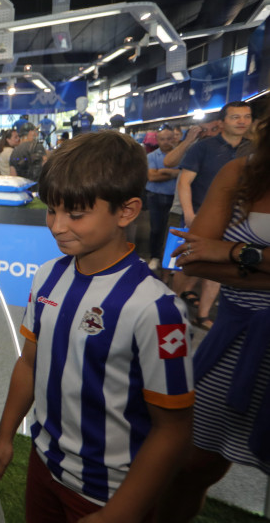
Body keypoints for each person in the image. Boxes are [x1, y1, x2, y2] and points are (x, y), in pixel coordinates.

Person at [0, 130, 194, 523]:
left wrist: (121, 513)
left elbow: (174, 429)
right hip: (44, 467)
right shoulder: (47, 276)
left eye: (76, 214)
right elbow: (29, 363)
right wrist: (5, 434)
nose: (57, 226)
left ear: (127, 211)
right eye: (51, 210)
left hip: (111, 493)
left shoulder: (156, 307)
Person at [158, 116, 270, 522]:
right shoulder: (239, 171)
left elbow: (214, 252)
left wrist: (234, 252)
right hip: (235, 338)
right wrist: (228, 255)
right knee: (192, 463)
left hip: (237, 319)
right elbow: (194, 256)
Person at [177, 102, 253, 329]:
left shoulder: (253, 149)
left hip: (236, 220)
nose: (242, 121)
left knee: (218, 268)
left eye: (247, 117)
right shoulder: (203, 148)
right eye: (235, 117)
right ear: (221, 122)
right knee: (184, 263)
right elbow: (184, 183)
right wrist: (190, 215)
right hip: (200, 215)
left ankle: (202, 315)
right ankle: (172, 307)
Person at [145, 126, 180, 271]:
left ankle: (172, 261)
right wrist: (175, 173)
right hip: (155, 197)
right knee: (156, 230)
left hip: (176, 198)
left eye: (169, 138)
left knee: (175, 231)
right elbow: (152, 177)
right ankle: (155, 257)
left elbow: (185, 173)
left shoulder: (182, 156)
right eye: (162, 139)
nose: (166, 142)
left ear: (175, 138)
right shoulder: (151, 156)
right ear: (157, 140)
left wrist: (164, 171)